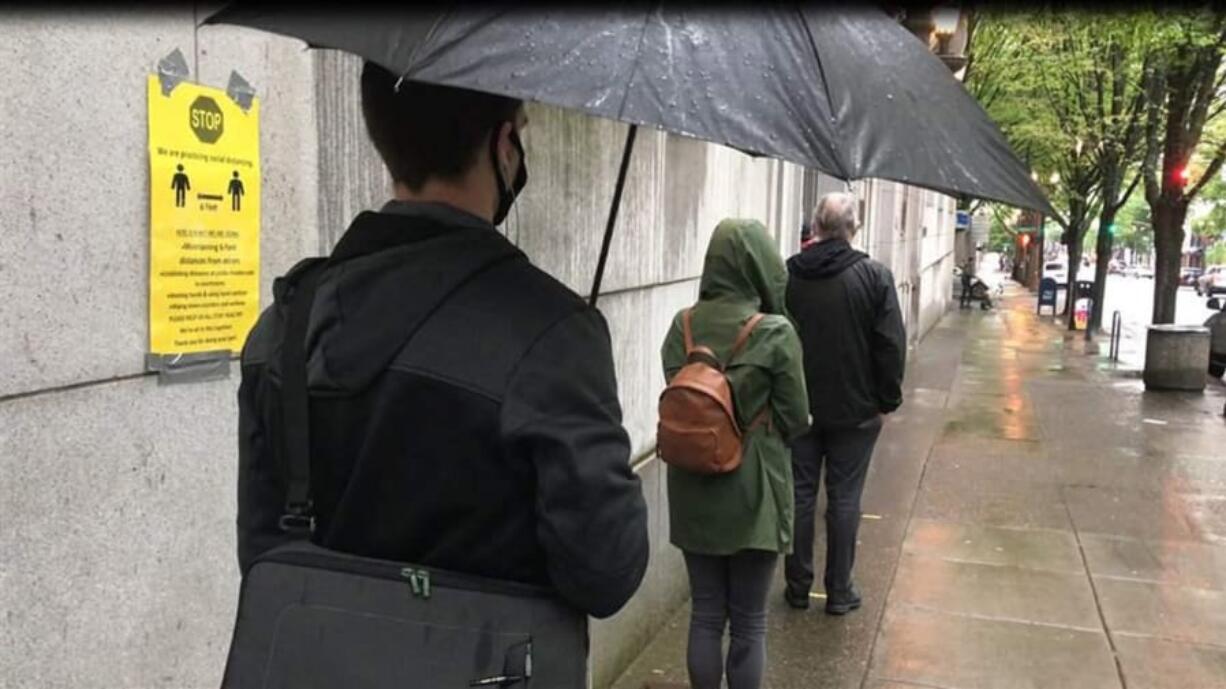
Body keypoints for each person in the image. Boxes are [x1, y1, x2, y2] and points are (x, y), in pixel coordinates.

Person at [235, 61, 649, 620]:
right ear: (504, 146)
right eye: (521, 132)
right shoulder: (553, 334)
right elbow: (606, 573)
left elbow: (264, 556)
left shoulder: (282, 325)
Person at [660, 219, 810, 689]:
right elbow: (796, 418)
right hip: (755, 491)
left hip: (692, 486)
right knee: (749, 620)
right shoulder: (775, 332)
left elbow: (679, 394)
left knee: (705, 612)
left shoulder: (682, 326)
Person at [783, 192, 905, 615]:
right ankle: (839, 590)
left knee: (799, 495)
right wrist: (887, 399)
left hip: (799, 407)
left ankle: (797, 586)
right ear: (854, 227)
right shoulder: (875, 277)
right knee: (845, 498)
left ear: (815, 226)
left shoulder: (789, 275)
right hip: (855, 412)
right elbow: (890, 345)